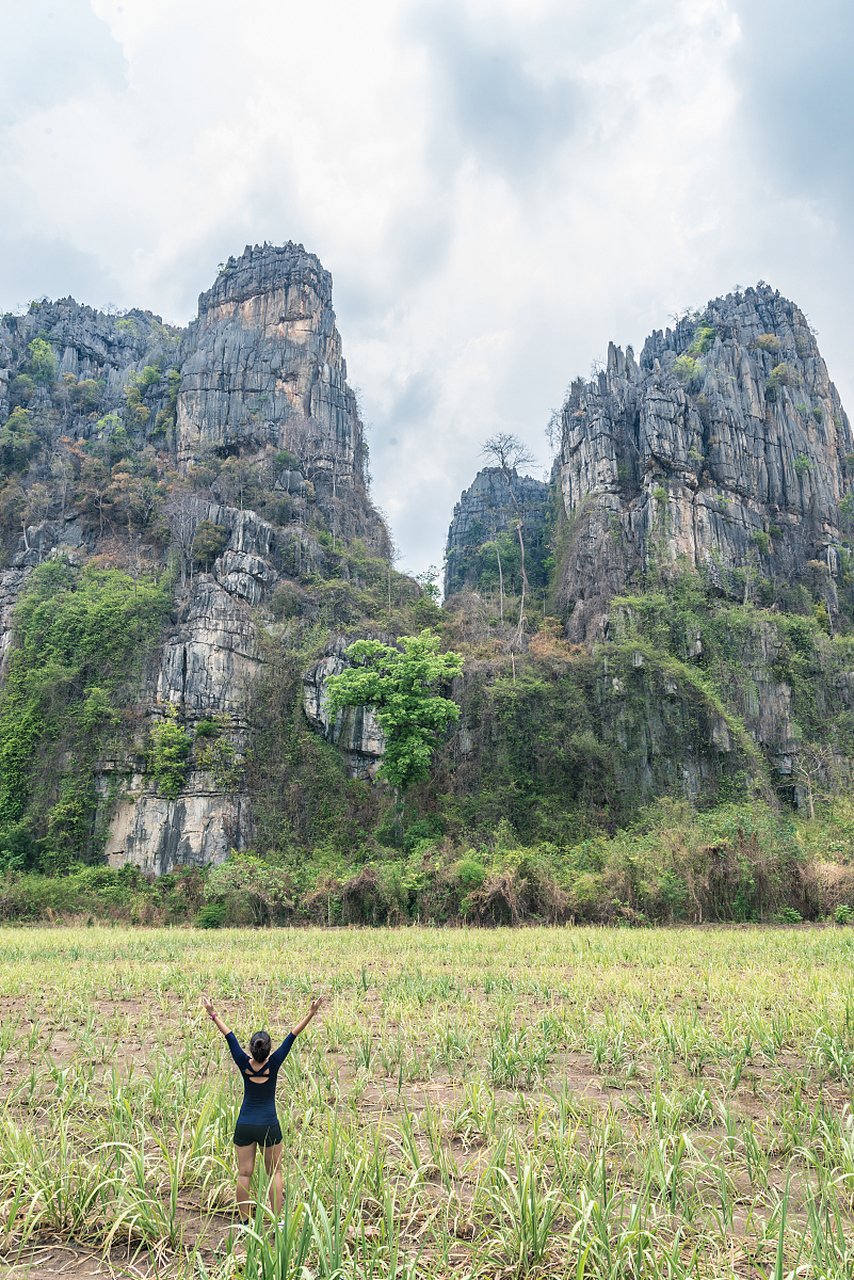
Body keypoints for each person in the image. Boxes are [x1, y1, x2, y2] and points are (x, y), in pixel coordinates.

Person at [201, 992, 324, 1227]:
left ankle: (245, 1224)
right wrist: (311, 1012)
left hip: (245, 1124)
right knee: (274, 1172)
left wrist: (212, 1013)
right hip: (269, 1124)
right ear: (268, 1050)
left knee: (244, 1174)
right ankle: (277, 1221)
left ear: (251, 1049)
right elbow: (293, 1035)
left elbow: (229, 1036)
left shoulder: (242, 1061)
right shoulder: (275, 1063)